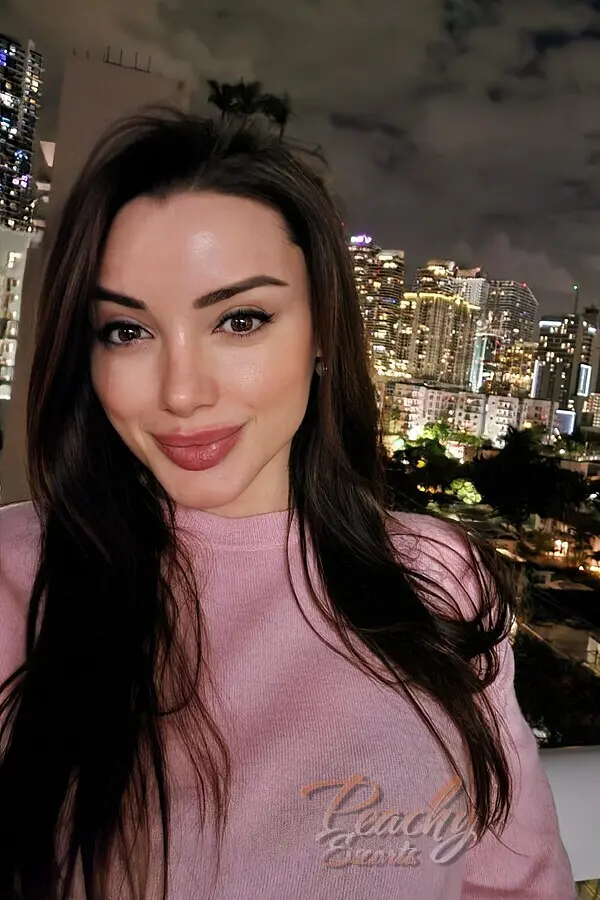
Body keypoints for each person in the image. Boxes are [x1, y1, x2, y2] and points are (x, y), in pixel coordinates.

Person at [0, 110, 575, 900]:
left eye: (240, 320)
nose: (182, 393)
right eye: (127, 331)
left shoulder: (438, 578)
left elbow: (517, 882)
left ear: (322, 332)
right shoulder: (16, 578)